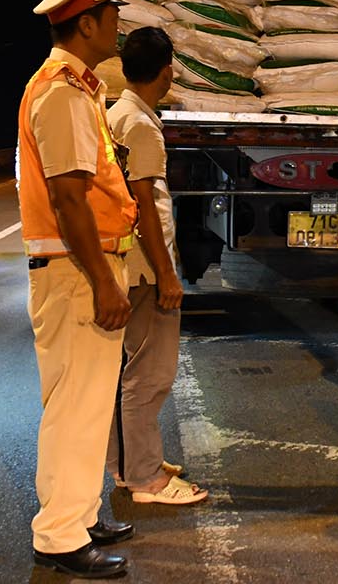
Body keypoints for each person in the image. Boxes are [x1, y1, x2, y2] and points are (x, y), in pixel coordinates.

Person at [18, 0, 138, 579]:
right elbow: (68, 197)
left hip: (73, 267)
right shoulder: (62, 94)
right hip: (74, 271)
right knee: (76, 406)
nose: (119, 21)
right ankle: (61, 537)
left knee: (84, 403)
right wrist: (102, 281)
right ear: (88, 22)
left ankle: (80, 512)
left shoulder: (77, 88)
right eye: (112, 12)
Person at [105, 27, 209, 505]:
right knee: (150, 374)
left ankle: (130, 464)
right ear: (166, 71)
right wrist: (168, 273)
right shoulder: (141, 125)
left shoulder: (120, 114)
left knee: (129, 370)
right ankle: (145, 478)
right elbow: (143, 202)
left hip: (129, 263)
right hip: (146, 268)